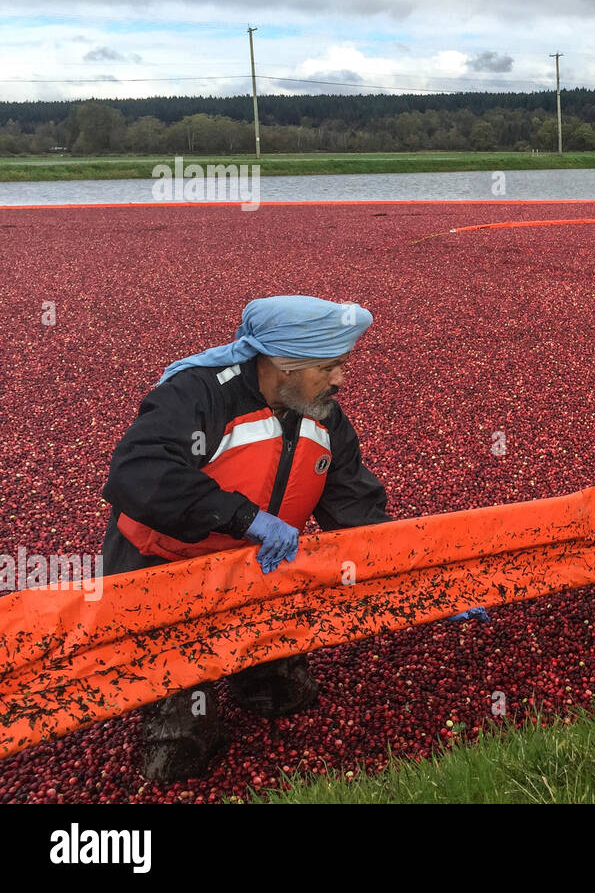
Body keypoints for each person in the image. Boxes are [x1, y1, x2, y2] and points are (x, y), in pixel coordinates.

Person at [100, 295, 392, 781]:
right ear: (284, 365)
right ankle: (174, 705)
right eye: (329, 367)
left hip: (257, 573)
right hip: (163, 571)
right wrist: (244, 517)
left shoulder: (325, 417)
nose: (341, 380)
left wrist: (424, 563)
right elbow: (140, 471)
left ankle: (250, 668)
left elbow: (355, 509)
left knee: (286, 697)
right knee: (181, 752)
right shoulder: (197, 396)